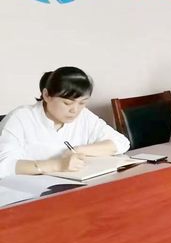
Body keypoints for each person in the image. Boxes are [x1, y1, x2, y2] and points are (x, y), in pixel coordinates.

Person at [0, 67, 131, 178]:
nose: (75, 110)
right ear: (46, 95)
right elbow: (4, 166)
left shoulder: (83, 115)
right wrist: (58, 165)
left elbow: (121, 142)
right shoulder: (20, 118)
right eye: (67, 103)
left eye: (82, 103)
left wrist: (79, 150)